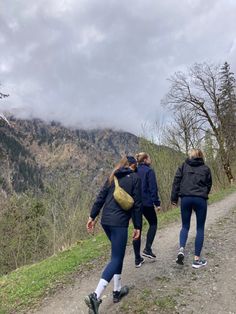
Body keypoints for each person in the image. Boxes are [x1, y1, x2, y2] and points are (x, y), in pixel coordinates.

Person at [85, 156, 142, 314]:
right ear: (132, 166)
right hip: (119, 223)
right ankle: (95, 297)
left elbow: (100, 197)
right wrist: (138, 226)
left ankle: (117, 291)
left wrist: (92, 217)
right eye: (135, 166)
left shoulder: (113, 175)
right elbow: (137, 205)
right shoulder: (135, 178)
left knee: (117, 255)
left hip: (106, 222)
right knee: (116, 258)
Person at [171, 149, 212, 269]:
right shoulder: (206, 169)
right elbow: (209, 184)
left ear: (191, 156)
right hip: (200, 199)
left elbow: (176, 182)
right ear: (201, 156)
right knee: (200, 228)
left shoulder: (183, 166)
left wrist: (174, 198)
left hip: (186, 198)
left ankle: (181, 250)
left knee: (185, 226)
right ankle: (196, 260)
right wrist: (204, 193)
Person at [132, 152, 161, 268]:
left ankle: (137, 259)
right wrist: (157, 203)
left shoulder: (134, 171)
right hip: (147, 203)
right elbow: (153, 188)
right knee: (153, 223)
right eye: (149, 158)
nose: (151, 159)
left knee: (137, 229)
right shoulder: (149, 171)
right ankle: (148, 248)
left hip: (135, 204)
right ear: (145, 160)